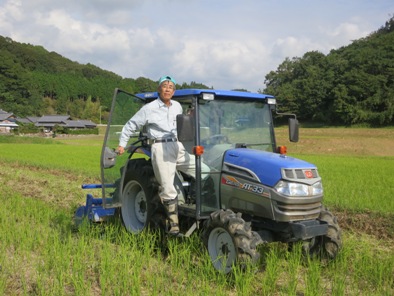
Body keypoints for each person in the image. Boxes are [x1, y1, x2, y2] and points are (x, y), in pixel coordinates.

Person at [117, 75, 201, 237]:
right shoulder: (149, 108)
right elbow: (130, 125)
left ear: (174, 91)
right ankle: (173, 225)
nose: (168, 89)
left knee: (201, 170)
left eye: (171, 87)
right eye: (165, 86)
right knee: (167, 186)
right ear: (159, 89)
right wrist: (122, 144)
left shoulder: (177, 106)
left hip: (177, 145)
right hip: (160, 146)